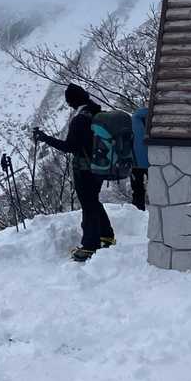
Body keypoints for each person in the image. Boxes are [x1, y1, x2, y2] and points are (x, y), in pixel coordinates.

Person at [33, 83, 114, 262]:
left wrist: (45, 138)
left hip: (84, 169)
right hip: (99, 167)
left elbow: (70, 147)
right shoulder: (97, 113)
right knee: (93, 201)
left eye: (69, 102)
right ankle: (106, 235)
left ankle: (89, 246)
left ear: (72, 102)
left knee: (88, 205)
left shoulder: (80, 120)